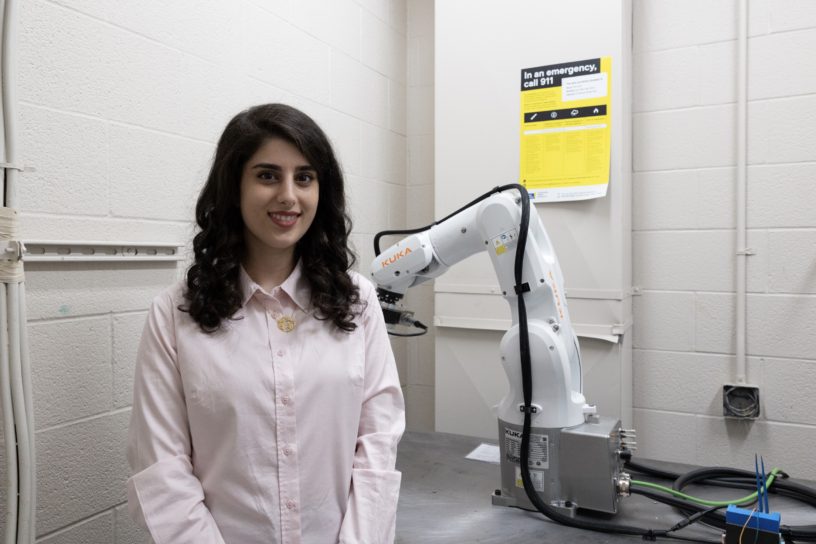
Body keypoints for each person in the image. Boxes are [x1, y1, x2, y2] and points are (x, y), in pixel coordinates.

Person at [126, 103, 406, 544]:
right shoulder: (174, 314)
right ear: (233, 187)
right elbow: (161, 467)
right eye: (267, 175)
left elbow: (376, 445)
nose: (289, 196)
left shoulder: (357, 303)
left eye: (305, 177)